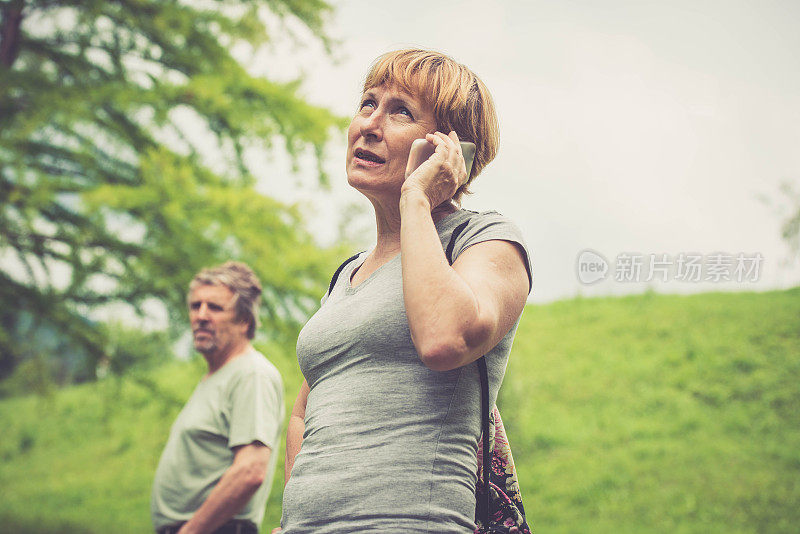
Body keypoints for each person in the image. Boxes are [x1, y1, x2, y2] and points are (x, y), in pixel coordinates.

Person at [279, 49, 533, 533]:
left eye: (400, 112)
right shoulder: (346, 275)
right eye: (368, 103)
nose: (369, 125)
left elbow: (445, 339)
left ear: (453, 150)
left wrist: (417, 197)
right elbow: (304, 410)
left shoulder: (485, 240)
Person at [151, 261, 284, 534]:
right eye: (195, 305)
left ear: (244, 320)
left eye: (214, 307)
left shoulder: (251, 374)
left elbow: (250, 470)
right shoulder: (216, 376)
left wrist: (190, 531)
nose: (200, 315)